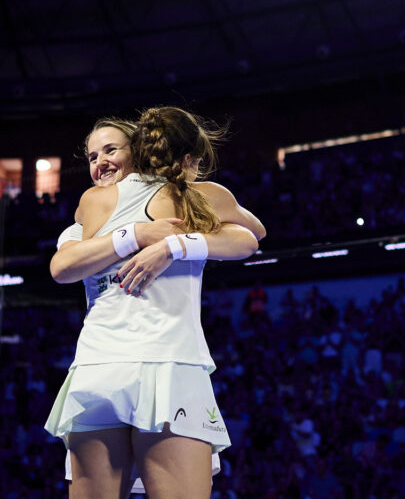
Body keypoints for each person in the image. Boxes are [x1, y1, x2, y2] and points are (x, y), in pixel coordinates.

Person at [45, 106, 266, 498]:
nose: (100, 162)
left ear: (141, 149)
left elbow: (250, 238)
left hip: (107, 368)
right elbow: (253, 233)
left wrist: (171, 245)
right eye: (93, 156)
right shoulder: (194, 197)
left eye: (111, 150)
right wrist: (143, 235)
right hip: (161, 365)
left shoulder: (96, 203)